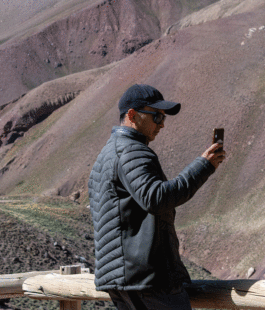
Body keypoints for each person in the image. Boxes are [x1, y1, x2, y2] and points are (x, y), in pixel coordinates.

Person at [88, 84, 225, 310]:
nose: (162, 124)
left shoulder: (106, 154)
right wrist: (203, 166)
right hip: (147, 279)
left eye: (164, 118)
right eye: (156, 116)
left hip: (121, 280)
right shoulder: (132, 150)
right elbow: (157, 199)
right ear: (132, 115)